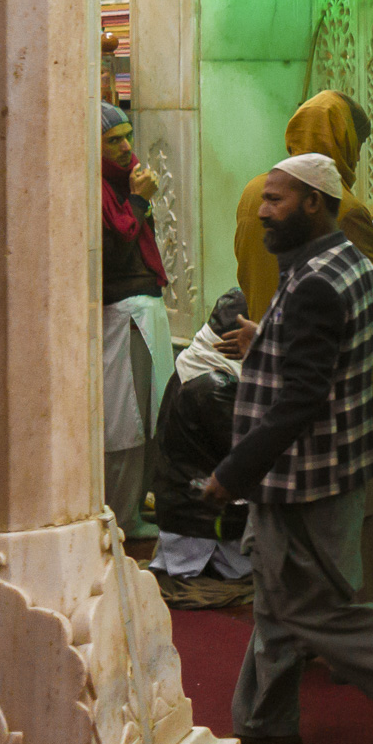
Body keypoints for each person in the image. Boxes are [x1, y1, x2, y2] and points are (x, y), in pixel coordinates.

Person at [202, 153, 373, 744]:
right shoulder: (346, 263)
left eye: (277, 200)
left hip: (303, 476)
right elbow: (329, 353)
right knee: (278, 597)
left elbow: (301, 399)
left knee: (317, 609)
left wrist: (231, 474)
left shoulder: (315, 279)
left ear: (314, 202)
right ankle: (266, 721)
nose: (263, 211)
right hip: (329, 466)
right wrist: (264, 337)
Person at [231, 90, 373, 601]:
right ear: (343, 141)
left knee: (284, 522)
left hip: (269, 368)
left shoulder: (253, 193)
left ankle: (291, 633)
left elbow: (250, 271)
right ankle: (355, 633)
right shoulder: (343, 208)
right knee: (347, 517)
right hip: (334, 387)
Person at [100, 101, 173, 540]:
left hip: (145, 313)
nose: (126, 147)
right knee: (127, 422)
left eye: (128, 136)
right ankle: (122, 516)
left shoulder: (122, 185)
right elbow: (111, 255)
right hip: (122, 317)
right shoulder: (100, 191)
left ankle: (133, 513)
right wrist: (139, 201)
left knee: (154, 415)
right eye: (113, 140)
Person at [152, 289, 254, 600]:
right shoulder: (214, 385)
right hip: (200, 512)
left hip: (185, 502)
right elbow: (247, 455)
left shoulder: (193, 361)